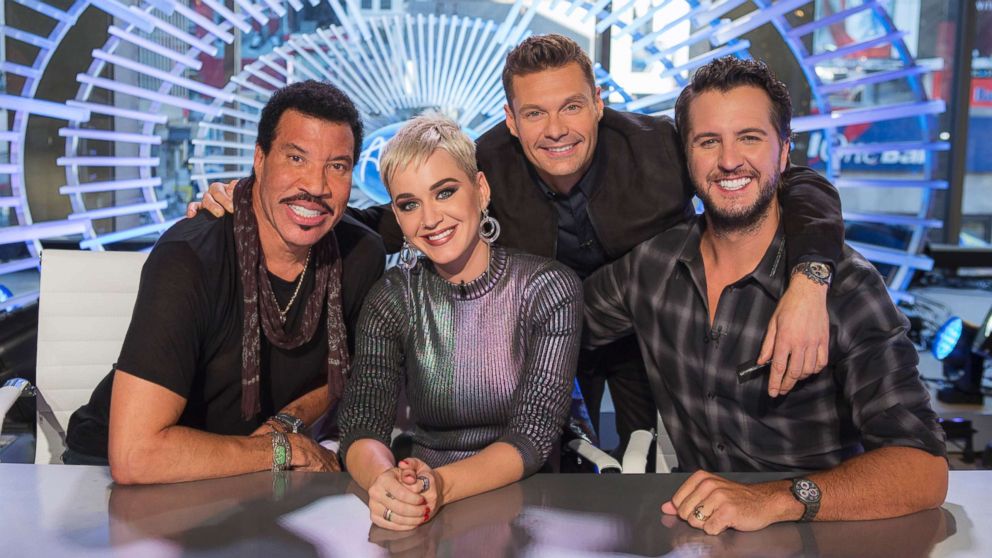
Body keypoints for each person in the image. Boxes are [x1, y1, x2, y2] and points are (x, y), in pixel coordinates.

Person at [190, 34, 845, 448]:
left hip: (645, 337)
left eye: (569, 106)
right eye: (534, 112)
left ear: (598, 102)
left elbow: (798, 180)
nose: (554, 129)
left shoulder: (661, 148)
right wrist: (254, 207)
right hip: (543, 334)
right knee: (551, 464)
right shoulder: (483, 168)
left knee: (653, 471)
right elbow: (386, 218)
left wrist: (810, 279)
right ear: (510, 118)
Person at [583, 56, 948, 534]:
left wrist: (775, 500)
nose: (729, 160)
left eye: (750, 138)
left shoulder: (844, 288)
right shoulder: (651, 267)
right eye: (708, 141)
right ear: (686, 157)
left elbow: (923, 470)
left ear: (783, 153)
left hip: (823, 538)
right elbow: (554, 325)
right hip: (699, 536)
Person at [64, 81, 386, 483]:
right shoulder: (190, 258)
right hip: (115, 476)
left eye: (336, 165)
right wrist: (282, 448)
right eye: (296, 158)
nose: (317, 185)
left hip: (251, 468)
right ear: (259, 159)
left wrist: (287, 423)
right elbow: (136, 455)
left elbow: (344, 370)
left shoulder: (359, 254)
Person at [336, 114, 582, 531]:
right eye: (409, 204)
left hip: (531, 509)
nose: (430, 219)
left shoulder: (547, 287)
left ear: (481, 190)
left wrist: (441, 486)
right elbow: (362, 421)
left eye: (445, 192)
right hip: (422, 505)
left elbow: (534, 433)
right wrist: (386, 482)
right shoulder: (392, 296)